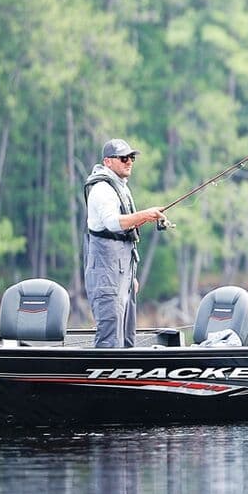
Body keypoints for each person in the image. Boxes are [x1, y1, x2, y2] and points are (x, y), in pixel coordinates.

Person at [84, 139, 168, 348]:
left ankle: (128, 376)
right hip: (106, 272)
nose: (129, 162)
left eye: (131, 157)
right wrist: (145, 215)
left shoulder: (119, 186)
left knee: (127, 335)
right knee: (110, 334)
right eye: (123, 158)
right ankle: (105, 378)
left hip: (124, 272)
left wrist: (131, 276)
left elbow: (126, 236)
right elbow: (113, 224)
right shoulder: (102, 189)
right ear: (108, 162)